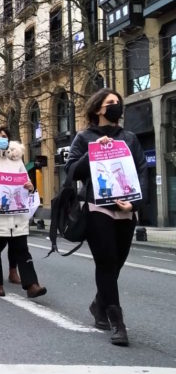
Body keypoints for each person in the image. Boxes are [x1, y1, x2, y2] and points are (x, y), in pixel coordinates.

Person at [64, 88, 146, 346]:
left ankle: (99, 304)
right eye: (110, 102)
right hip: (98, 208)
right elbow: (72, 171)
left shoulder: (129, 137)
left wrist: (134, 204)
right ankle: (117, 322)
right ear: (97, 107)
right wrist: (91, 152)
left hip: (126, 210)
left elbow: (141, 170)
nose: (116, 105)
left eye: (117, 102)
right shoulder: (84, 137)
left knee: (116, 263)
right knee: (106, 262)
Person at [0, 126, 46, 298]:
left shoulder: (16, 160)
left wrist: (30, 187)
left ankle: (32, 285)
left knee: (22, 249)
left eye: (4, 136)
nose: (1, 138)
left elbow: (25, 181)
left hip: (16, 213)